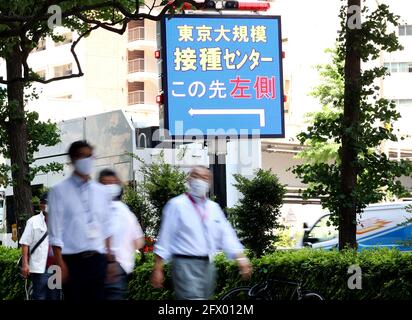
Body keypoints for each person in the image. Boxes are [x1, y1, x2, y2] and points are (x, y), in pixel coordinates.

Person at [151, 166, 252, 300]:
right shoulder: (177, 205)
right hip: (184, 263)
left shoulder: (213, 208)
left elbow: (226, 234)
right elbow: (166, 237)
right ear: (189, 179)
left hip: (207, 263)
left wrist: (241, 258)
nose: (200, 181)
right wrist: (158, 268)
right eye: (196, 176)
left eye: (205, 178)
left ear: (209, 182)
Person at [48, 140, 114, 301]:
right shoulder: (59, 191)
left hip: (97, 259)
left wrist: (110, 260)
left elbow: (106, 228)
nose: (86, 160)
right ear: (72, 160)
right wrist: (60, 263)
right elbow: (55, 232)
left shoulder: (101, 191)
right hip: (72, 261)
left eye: (89, 156)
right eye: (81, 156)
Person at [98, 168, 145, 300]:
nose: (109, 187)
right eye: (105, 183)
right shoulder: (122, 209)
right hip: (110, 266)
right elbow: (138, 241)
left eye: (112, 183)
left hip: (113, 267)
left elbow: (139, 241)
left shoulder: (122, 210)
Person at [19, 193, 60, 300]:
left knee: (54, 297)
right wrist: (25, 264)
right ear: (41, 204)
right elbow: (25, 243)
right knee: (40, 297)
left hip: (55, 269)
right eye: (46, 202)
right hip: (40, 269)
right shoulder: (33, 221)